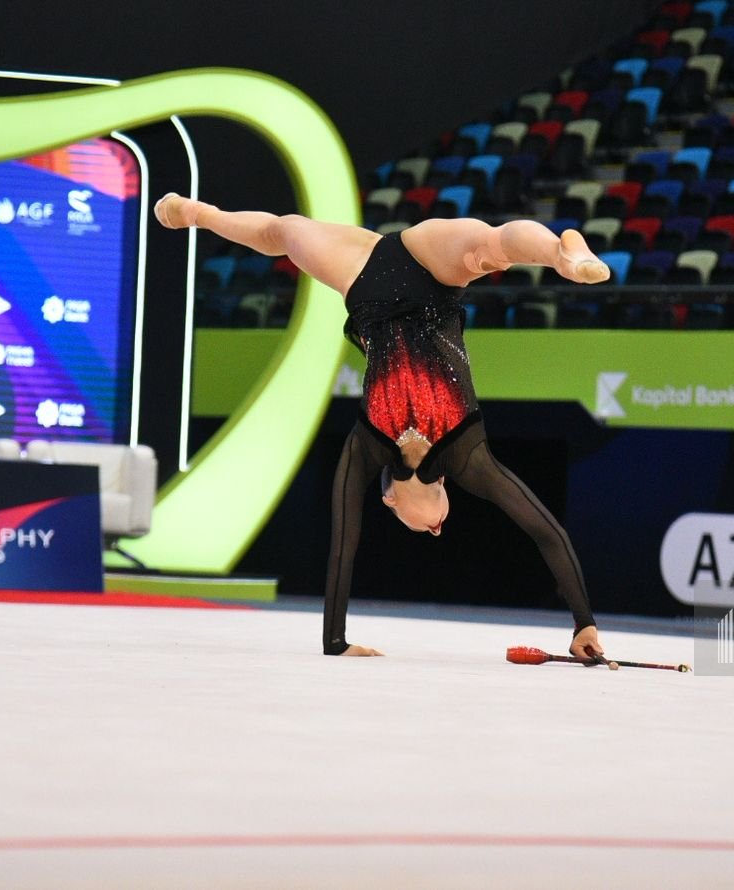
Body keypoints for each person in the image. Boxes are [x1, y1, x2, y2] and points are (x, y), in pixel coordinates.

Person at [154, 193, 608, 660]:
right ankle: (559, 253)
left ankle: (202, 214)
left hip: (366, 284)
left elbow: (342, 548)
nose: (436, 530)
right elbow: (547, 530)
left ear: (388, 498)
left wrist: (336, 642)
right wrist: (584, 624)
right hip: (433, 275)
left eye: (423, 530)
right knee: (485, 251)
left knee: (286, 230)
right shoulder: (466, 456)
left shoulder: (368, 447)